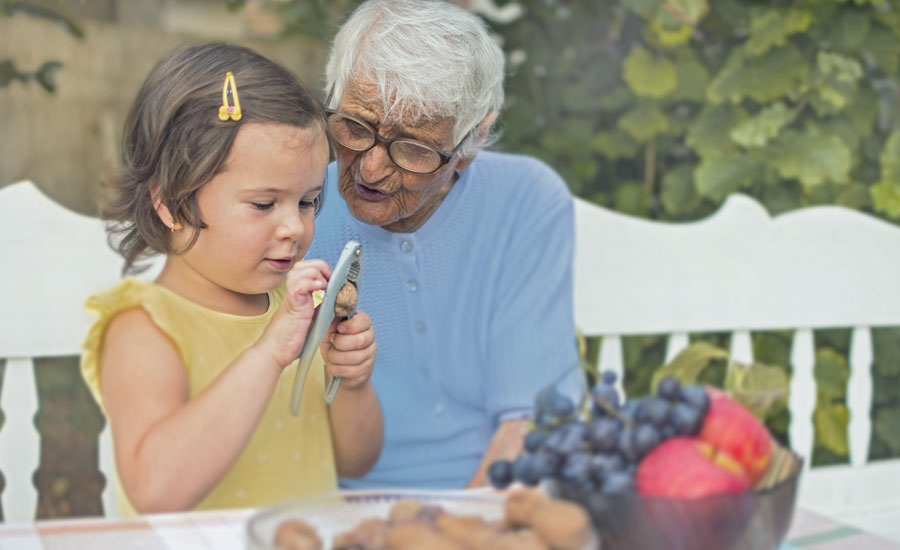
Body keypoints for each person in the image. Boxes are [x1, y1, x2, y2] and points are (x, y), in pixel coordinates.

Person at [80, 42, 383, 515]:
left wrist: (352, 381)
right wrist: (268, 354)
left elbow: (357, 461)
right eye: (264, 204)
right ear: (173, 204)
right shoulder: (144, 327)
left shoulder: (299, 310)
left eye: (308, 202)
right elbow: (157, 491)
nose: (296, 227)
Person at [308, 0, 581, 490]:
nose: (370, 169)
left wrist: (456, 533)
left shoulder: (525, 202)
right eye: (354, 127)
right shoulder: (293, 209)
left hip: (497, 503)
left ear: (471, 142)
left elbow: (528, 423)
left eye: (413, 147)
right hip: (327, 502)